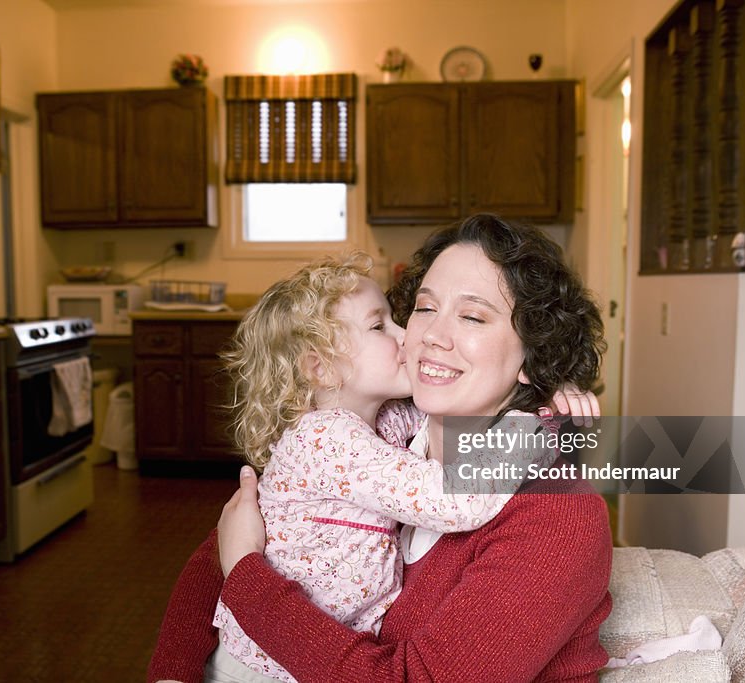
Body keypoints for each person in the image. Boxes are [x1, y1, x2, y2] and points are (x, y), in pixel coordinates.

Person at [148, 214, 610, 682]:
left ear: (535, 354)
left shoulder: (557, 513)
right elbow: (225, 548)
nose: (426, 336)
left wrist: (246, 574)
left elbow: (241, 560)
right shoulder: (385, 431)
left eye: (472, 316)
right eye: (424, 309)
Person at [210, 253, 550, 682]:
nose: (407, 335)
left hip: (317, 657)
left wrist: (545, 384)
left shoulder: (385, 420)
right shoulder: (325, 439)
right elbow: (453, 499)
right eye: (379, 327)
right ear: (321, 366)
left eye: (396, 318)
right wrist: (526, 427)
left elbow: (456, 410)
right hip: (265, 664)